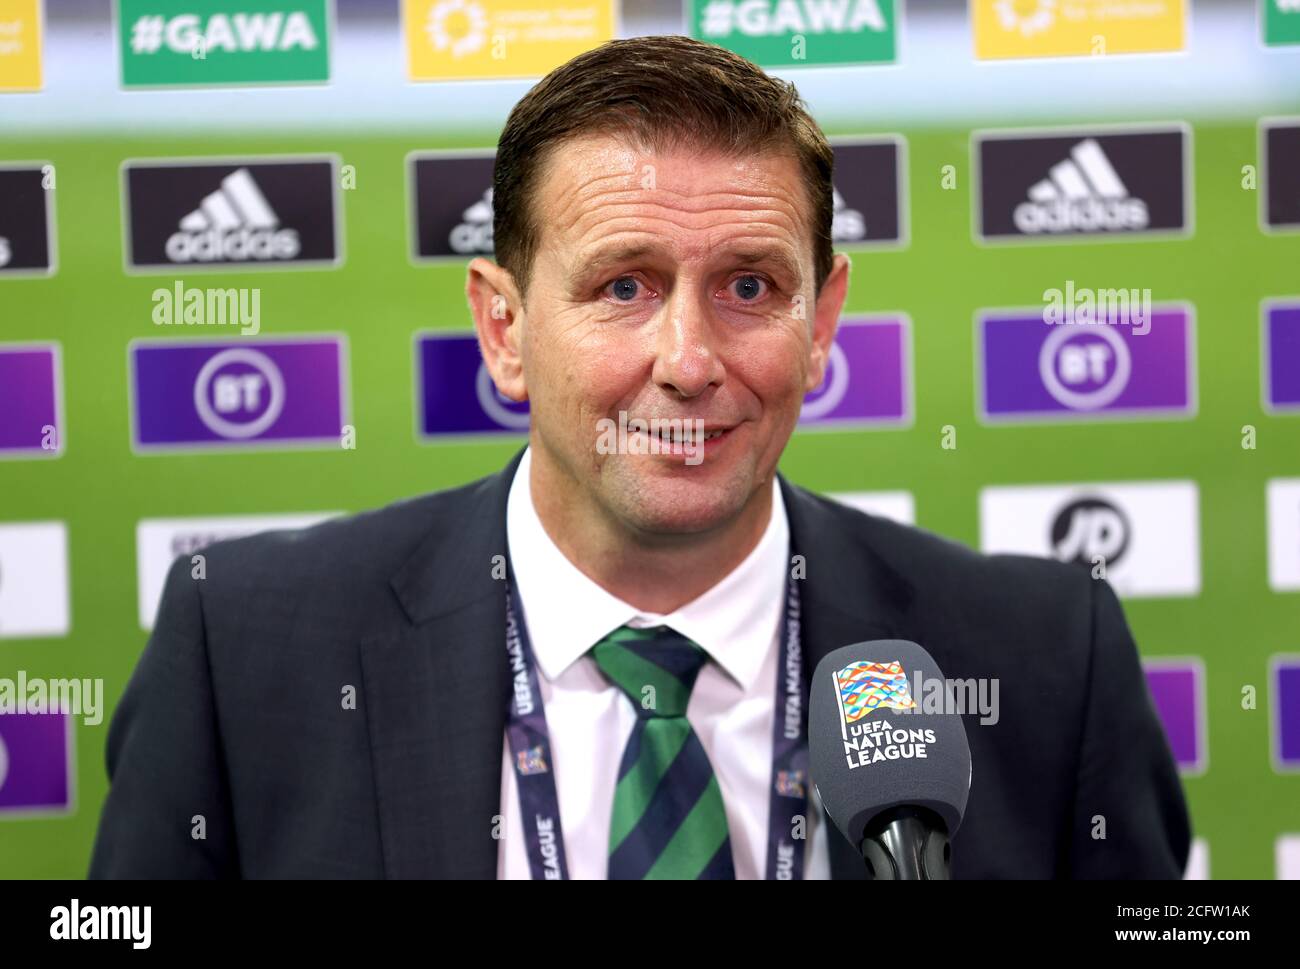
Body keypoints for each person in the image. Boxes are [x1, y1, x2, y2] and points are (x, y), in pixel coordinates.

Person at [90, 34, 1190, 879]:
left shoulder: (1047, 660)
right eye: (624, 286)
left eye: (749, 287)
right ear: (504, 329)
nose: (690, 360)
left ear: (824, 318)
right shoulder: (242, 652)